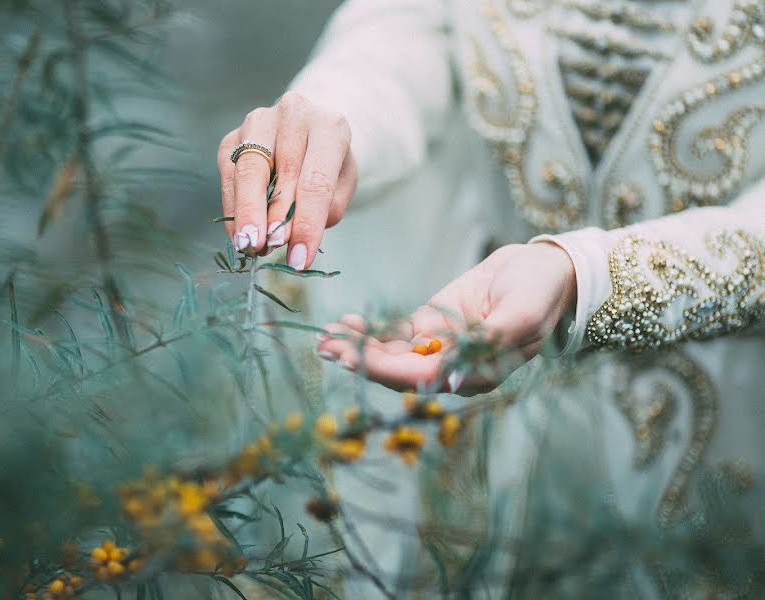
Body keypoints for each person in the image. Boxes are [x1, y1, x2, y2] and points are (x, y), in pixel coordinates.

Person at [219, 0, 765, 597]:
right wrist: (332, 131)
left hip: (718, 436)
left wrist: (589, 276)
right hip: (482, 419)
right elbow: (405, 39)